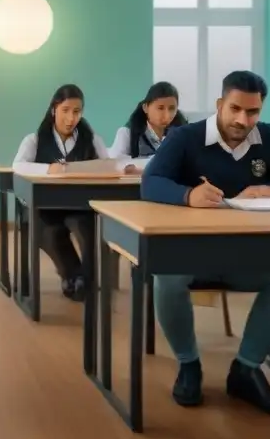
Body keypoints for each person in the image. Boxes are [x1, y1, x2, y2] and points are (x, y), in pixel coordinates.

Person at [141, 70, 270, 418]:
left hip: (247, 256)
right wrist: (187, 195)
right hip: (191, 255)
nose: (244, 120)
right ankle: (189, 365)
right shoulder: (185, 137)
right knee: (167, 277)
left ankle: (246, 369)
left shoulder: (269, 138)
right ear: (219, 104)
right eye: (236, 109)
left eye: (253, 112)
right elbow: (150, 183)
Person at [12, 84, 110, 302]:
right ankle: (75, 279)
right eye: (65, 110)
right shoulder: (34, 140)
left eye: (76, 112)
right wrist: (48, 169)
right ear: (54, 109)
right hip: (45, 209)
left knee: (88, 230)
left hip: (80, 206)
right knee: (53, 234)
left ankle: (86, 281)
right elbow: (18, 166)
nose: (71, 117)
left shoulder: (92, 140)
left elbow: (107, 166)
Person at [109, 81, 188, 161]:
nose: (167, 115)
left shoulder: (182, 131)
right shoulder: (128, 132)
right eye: (160, 108)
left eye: (172, 108)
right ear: (145, 108)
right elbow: (115, 160)